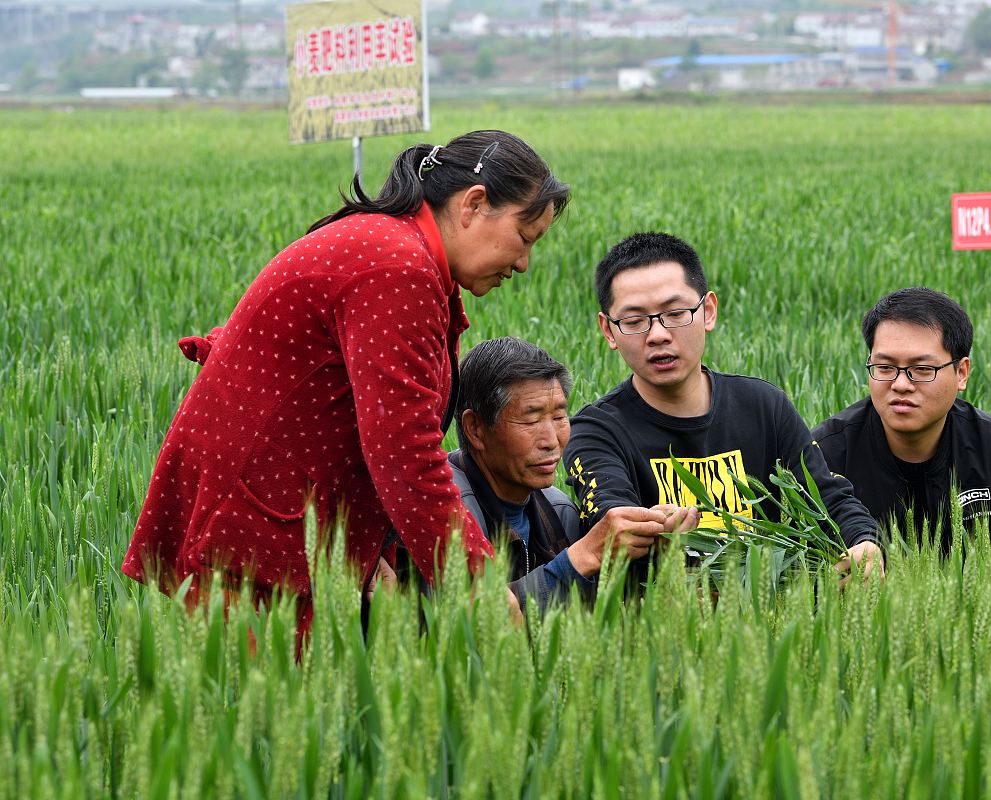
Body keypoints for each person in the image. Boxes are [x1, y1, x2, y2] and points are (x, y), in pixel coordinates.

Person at [122, 130, 570, 632]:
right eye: (524, 237)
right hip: (258, 535)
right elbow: (405, 452)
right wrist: (479, 584)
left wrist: (371, 542)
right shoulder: (397, 267)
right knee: (265, 703)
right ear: (474, 204)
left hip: (279, 523)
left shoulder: (399, 250)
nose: (524, 263)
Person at [564, 232, 885, 589]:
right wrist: (650, 527)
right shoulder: (595, 431)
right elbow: (611, 518)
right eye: (635, 321)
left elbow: (827, 498)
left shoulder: (765, 407)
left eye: (675, 313)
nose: (657, 334)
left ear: (708, 312)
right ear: (608, 330)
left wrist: (864, 542)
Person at [450, 336, 688, 611]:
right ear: (475, 429)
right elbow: (460, 624)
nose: (551, 440)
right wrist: (581, 556)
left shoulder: (559, 511)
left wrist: (651, 548)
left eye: (559, 417)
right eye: (531, 419)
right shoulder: (444, 510)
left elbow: (589, 620)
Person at [813, 287, 991, 554]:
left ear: (961, 373)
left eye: (922, 369)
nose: (901, 384)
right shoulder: (826, 452)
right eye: (885, 367)